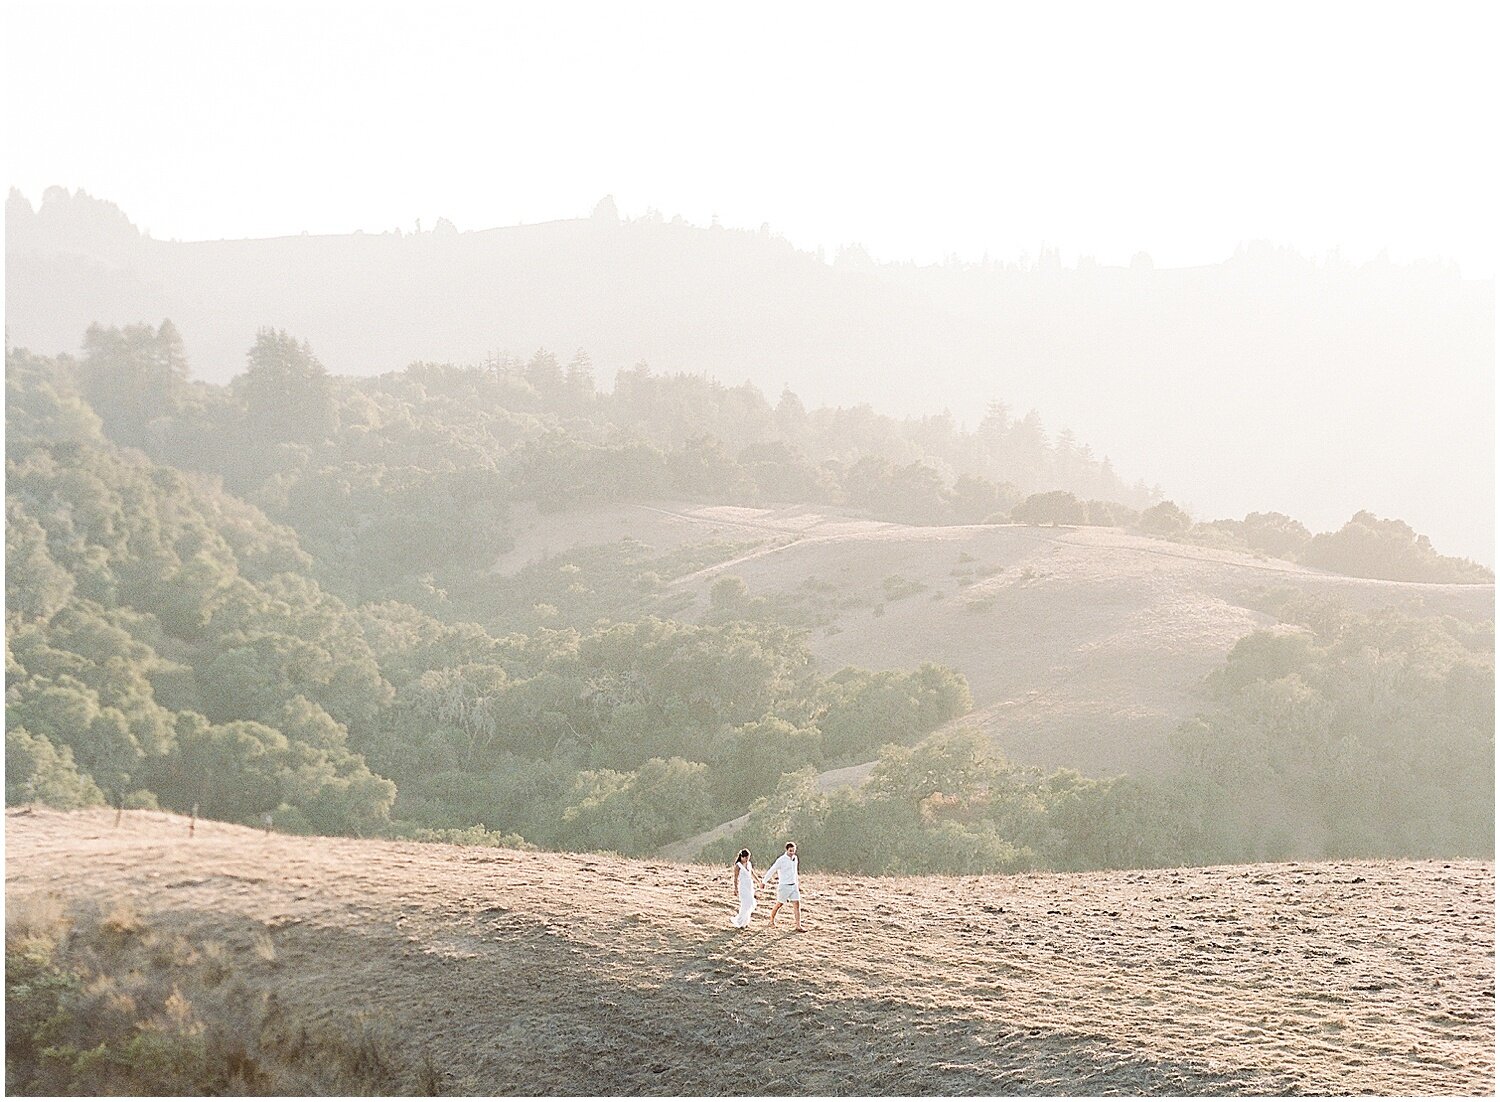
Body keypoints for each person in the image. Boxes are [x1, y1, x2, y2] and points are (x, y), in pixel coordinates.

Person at [762, 841, 804, 931]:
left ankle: (798, 925)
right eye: (790, 851)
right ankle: (771, 920)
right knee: (779, 904)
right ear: (787, 850)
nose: (792, 853)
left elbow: (795, 872)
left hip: (794, 885)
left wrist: (797, 883)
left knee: (797, 904)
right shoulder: (781, 860)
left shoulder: (795, 858)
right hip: (784, 886)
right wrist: (764, 881)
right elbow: (772, 870)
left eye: (793, 851)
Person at [730, 849, 757, 927]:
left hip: (749, 886)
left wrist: (758, 881)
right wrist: (735, 889)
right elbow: (735, 878)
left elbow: (752, 873)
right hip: (743, 886)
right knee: (745, 903)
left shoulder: (749, 864)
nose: (747, 860)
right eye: (745, 858)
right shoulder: (738, 866)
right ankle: (740, 920)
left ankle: (745, 921)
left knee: (750, 902)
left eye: (748, 858)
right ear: (742, 857)